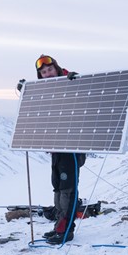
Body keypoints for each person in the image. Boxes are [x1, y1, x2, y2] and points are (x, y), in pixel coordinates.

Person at [35, 54, 86, 245]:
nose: (47, 74)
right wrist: (26, 91)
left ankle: (67, 230)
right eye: (43, 72)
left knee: (68, 189)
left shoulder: (71, 81)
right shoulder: (45, 91)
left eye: (49, 70)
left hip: (72, 147)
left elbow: (89, 89)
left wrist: (75, 78)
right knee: (57, 186)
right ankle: (58, 226)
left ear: (56, 68)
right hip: (56, 147)